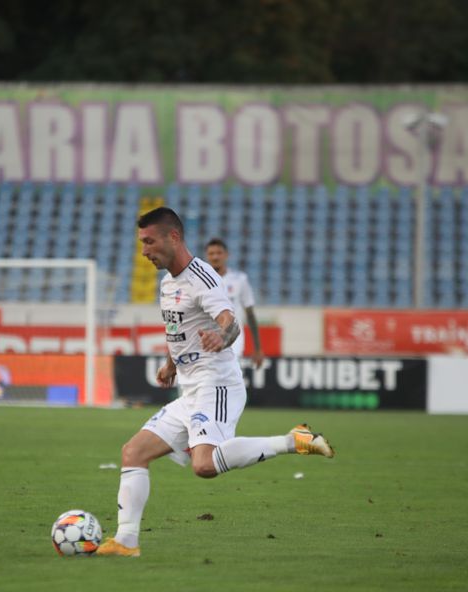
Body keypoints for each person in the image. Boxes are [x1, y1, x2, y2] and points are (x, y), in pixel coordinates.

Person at [97, 207, 334, 557]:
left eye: (149, 242)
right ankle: (126, 542)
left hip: (217, 384)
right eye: (141, 243)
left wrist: (222, 337)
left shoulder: (203, 278)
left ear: (172, 237)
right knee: (134, 452)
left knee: (204, 466)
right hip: (190, 389)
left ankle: (293, 440)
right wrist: (170, 364)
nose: (144, 251)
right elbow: (178, 330)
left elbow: (230, 321)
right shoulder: (168, 283)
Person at [204, 237, 265, 368]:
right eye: (211, 253)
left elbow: (250, 314)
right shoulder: (201, 281)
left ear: (226, 255)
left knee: (230, 378)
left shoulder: (240, 280)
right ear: (207, 256)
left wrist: (258, 348)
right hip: (208, 338)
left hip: (234, 339)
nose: (215, 257)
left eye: (219, 253)